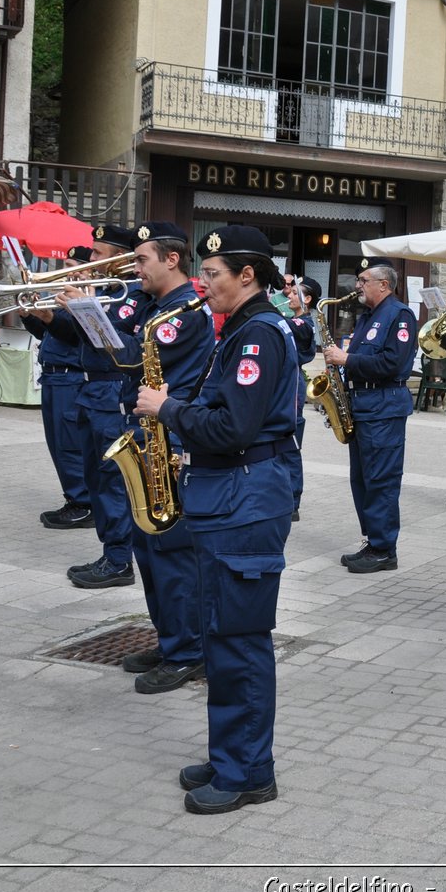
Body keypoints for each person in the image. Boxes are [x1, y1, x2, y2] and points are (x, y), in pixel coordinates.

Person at [134, 224, 297, 815]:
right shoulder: (242, 330)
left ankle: (250, 772)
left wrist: (167, 408)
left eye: (211, 275)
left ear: (246, 275)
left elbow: (235, 428)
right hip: (229, 496)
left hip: (245, 501)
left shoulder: (257, 336)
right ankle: (232, 754)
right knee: (220, 637)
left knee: (239, 642)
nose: (202, 286)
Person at [118, 223, 215, 692]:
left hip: (171, 439)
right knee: (149, 549)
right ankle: (170, 637)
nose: (135, 268)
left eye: (141, 259)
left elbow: (130, 358)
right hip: (148, 433)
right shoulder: (155, 308)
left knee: (172, 552)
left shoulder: (182, 311)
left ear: (170, 259)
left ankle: (188, 651)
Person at [44, 225, 152, 590]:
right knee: (95, 479)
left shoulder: (134, 294)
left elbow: (118, 344)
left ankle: (120, 559)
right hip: (92, 392)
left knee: (112, 482)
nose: (91, 260)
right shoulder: (105, 290)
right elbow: (79, 338)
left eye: (98, 254)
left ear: (120, 258)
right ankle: (111, 552)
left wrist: (84, 305)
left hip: (113, 393)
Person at [325, 257, 416, 573]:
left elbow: (392, 364)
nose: (357, 285)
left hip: (384, 407)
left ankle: (384, 549)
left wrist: (346, 359)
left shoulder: (400, 316)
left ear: (384, 285)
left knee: (381, 480)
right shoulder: (367, 316)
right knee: (361, 479)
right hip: (363, 405)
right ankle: (372, 539)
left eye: (364, 280)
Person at [22, 246, 93, 530]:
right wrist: (31, 316)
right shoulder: (65, 295)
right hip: (53, 375)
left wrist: (51, 317)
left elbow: (75, 336)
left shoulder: (88, 296)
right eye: (65, 264)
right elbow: (50, 334)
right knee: (57, 445)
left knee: (70, 445)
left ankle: (83, 502)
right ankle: (73, 498)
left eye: (73, 265)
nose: (67, 270)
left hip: (71, 376)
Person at [277, 275, 318, 521]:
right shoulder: (294, 319)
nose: (289, 296)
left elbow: (285, 328)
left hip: (293, 385)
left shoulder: (305, 323)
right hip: (285, 382)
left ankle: (293, 501)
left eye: (294, 293)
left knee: (290, 446)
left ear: (307, 299)